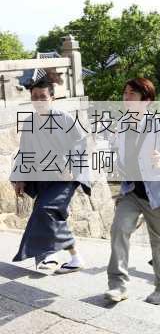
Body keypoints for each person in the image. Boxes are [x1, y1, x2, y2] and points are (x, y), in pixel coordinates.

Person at [106, 78, 160, 305]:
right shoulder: (121, 126)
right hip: (131, 191)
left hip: (157, 192)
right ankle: (117, 285)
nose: (126, 98)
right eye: (125, 93)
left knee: (159, 240)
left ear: (146, 100)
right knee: (119, 229)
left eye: (132, 94)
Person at [10, 75, 91, 273]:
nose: (38, 101)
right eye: (35, 96)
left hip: (66, 178)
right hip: (43, 177)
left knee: (44, 210)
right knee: (54, 215)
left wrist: (73, 168)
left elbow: (81, 145)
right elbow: (24, 152)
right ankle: (72, 258)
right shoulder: (29, 123)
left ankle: (49, 255)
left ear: (52, 98)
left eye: (43, 96)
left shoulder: (65, 119)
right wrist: (19, 177)